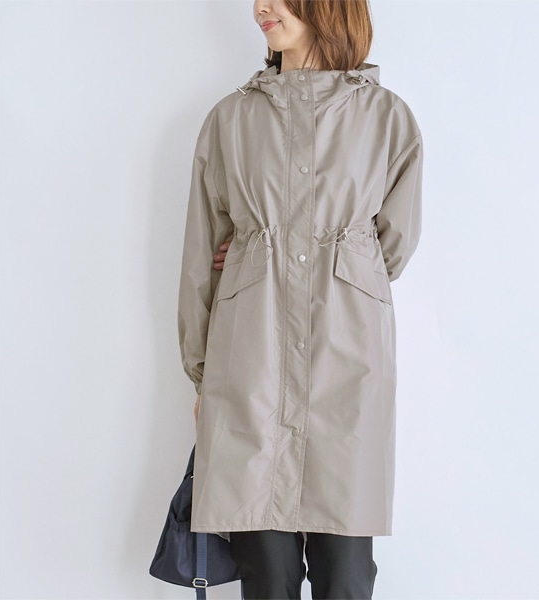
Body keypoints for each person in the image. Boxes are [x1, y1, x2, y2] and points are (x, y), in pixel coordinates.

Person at [177, 0, 423, 597]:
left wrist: (332, 261)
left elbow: (390, 248)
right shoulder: (231, 119)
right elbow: (200, 256)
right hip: (249, 372)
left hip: (347, 370)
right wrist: (203, 374)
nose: (261, 7)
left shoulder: (386, 118)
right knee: (265, 573)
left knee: (347, 577)